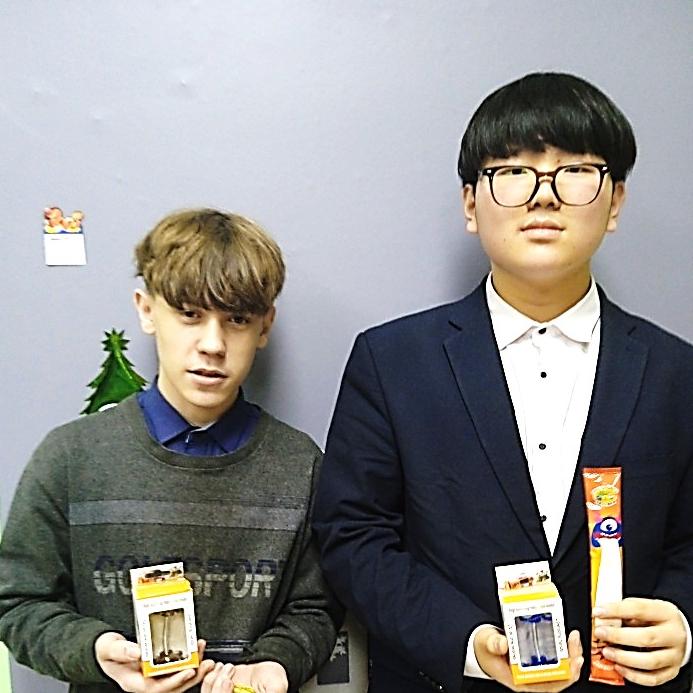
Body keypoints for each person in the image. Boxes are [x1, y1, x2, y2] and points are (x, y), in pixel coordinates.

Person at [312, 72, 693, 693]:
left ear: (615, 202)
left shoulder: (678, 373)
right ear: (471, 203)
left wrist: (683, 621)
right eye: (513, 171)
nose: (543, 196)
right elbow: (352, 536)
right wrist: (463, 643)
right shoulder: (392, 361)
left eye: (575, 171)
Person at [0, 208, 342, 693]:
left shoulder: (300, 466)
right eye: (190, 314)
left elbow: (317, 607)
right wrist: (95, 650)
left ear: (265, 326)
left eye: (237, 319)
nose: (213, 344)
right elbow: (18, 602)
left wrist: (277, 663)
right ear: (146, 310)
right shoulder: (70, 457)